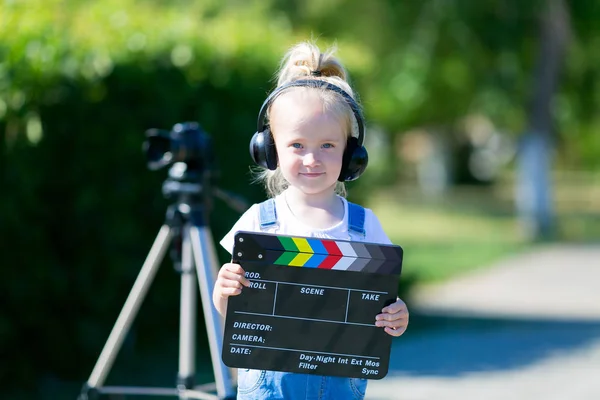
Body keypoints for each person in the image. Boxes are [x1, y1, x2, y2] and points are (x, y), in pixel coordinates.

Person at [213, 41, 409, 400]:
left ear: (352, 154)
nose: (311, 159)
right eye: (297, 145)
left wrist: (397, 316)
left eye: (328, 146)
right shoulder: (258, 221)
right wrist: (224, 290)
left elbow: (383, 305)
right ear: (270, 148)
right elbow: (231, 309)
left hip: (339, 384)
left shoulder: (365, 227)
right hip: (268, 383)